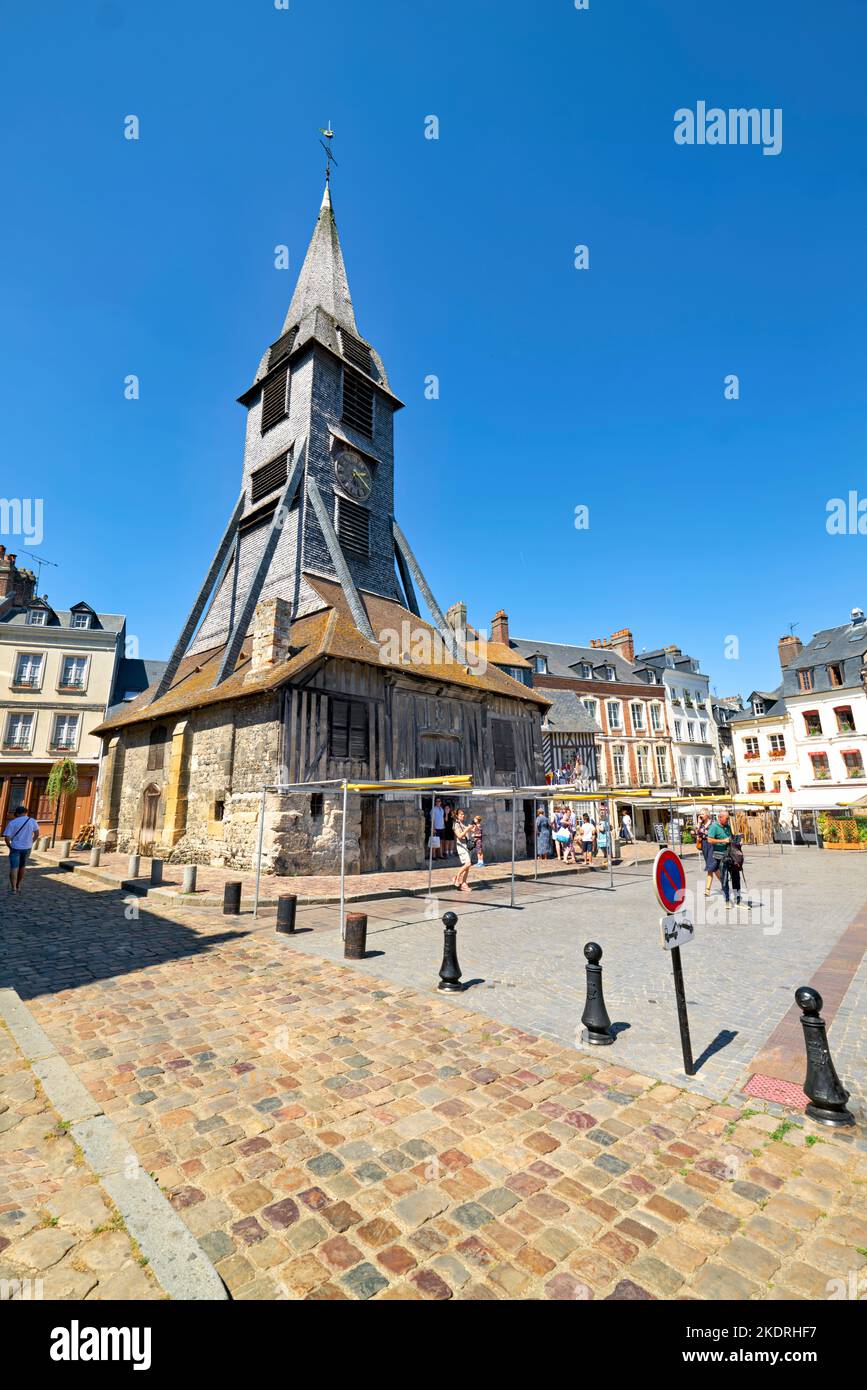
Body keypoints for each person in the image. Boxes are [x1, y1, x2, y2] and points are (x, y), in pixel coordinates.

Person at [4, 804, 41, 895]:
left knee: (14, 867)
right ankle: (18, 885)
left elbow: (7, 838)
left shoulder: (12, 822)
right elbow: (36, 834)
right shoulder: (32, 821)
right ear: (25, 812)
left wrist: (10, 846)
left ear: (17, 813)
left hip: (15, 847)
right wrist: (31, 842)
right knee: (22, 866)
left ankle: (13, 889)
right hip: (27, 847)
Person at [707, 809, 735, 903]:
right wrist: (723, 841)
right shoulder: (714, 827)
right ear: (720, 817)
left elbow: (730, 837)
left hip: (729, 854)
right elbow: (710, 840)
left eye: (728, 818)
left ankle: (736, 896)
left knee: (735, 875)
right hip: (719, 856)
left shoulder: (727, 826)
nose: (727, 820)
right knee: (725, 877)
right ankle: (727, 898)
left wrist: (736, 839)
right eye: (726, 818)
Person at [452, 808, 474, 892]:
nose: (463, 815)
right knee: (468, 863)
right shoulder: (456, 824)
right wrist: (467, 829)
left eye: (463, 814)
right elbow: (460, 836)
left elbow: (470, 830)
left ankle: (464, 883)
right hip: (461, 846)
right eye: (461, 814)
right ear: (457, 816)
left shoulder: (462, 823)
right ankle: (456, 877)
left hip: (466, 845)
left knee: (467, 867)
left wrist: (473, 827)